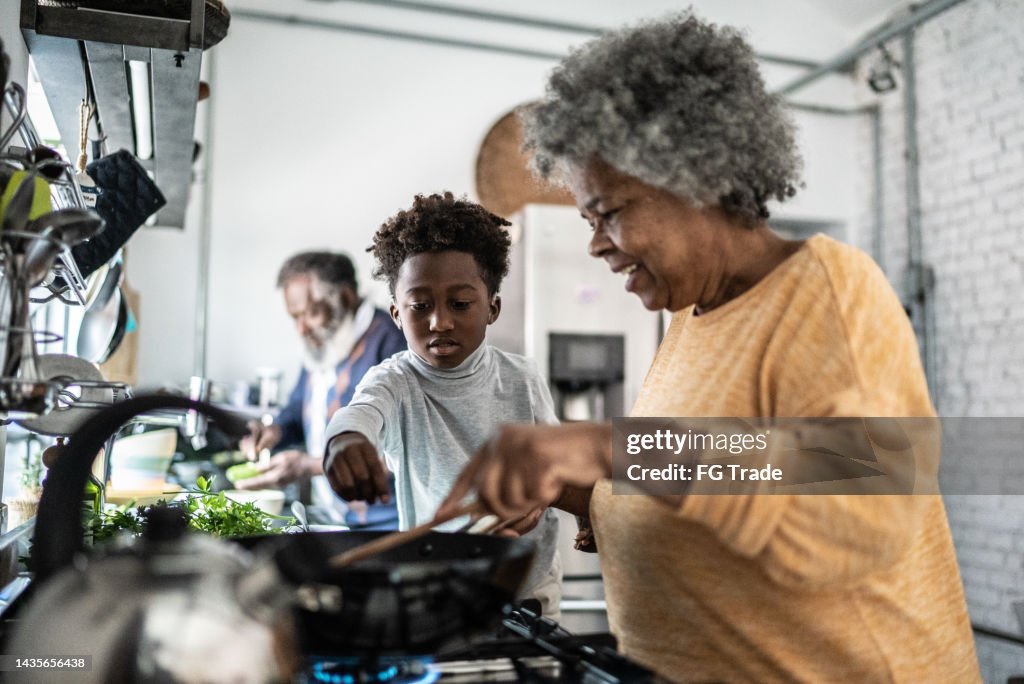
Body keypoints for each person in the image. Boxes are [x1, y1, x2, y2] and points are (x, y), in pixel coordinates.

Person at [440, 12, 980, 682]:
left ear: (697, 175)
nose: (595, 243)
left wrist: (602, 446)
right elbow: (715, 483)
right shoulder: (694, 320)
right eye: (587, 220)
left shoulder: (827, 289)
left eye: (607, 212)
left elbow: (861, 491)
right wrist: (577, 489)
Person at [322, 192, 562, 616]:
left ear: (492, 308)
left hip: (530, 592)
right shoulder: (394, 381)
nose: (440, 321)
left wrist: (563, 504)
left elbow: (562, 462)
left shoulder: (522, 377)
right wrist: (344, 441)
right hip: (440, 594)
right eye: (420, 306)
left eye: (461, 304)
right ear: (397, 315)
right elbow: (358, 415)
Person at [237, 251, 405, 529]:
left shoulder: (391, 344)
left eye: (311, 313)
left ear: (347, 297)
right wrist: (273, 431)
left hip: (386, 524)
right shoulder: (323, 343)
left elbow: (405, 449)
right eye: (295, 318)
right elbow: (296, 407)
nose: (301, 329)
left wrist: (309, 466)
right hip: (336, 516)